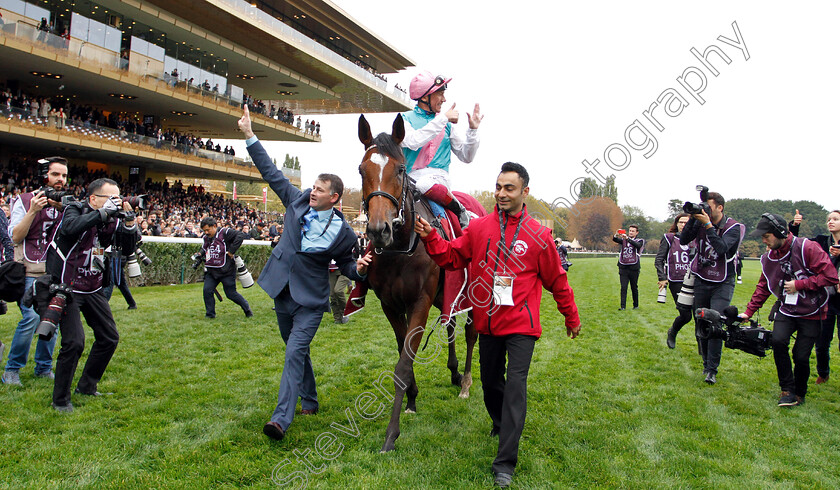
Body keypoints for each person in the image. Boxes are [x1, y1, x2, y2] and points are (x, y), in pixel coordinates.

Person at [414, 162, 580, 488]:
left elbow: (557, 280)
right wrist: (433, 237)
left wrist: (570, 316)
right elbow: (451, 258)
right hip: (486, 325)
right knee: (491, 385)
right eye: (499, 187)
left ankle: (505, 462)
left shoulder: (539, 236)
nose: (502, 193)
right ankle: (499, 422)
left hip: (522, 327)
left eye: (510, 188)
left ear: (524, 192)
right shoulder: (477, 229)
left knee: (515, 390)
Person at [238, 106, 371, 442]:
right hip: (282, 292)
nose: (312, 192)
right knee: (297, 352)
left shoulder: (345, 234)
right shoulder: (296, 202)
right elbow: (270, 173)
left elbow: (346, 266)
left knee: (293, 352)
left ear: (334, 198)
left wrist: (359, 270)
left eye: (320, 190)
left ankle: (280, 420)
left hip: (311, 302)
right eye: (312, 187)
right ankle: (310, 399)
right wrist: (250, 135)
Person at [45, 178, 138, 412]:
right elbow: (70, 229)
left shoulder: (112, 219)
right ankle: (60, 400)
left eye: (118, 198)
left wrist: (128, 225)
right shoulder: (75, 208)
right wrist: (101, 214)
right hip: (67, 288)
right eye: (111, 198)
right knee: (74, 342)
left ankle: (87, 386)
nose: (116, 203)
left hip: (93, 287)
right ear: (93, 199)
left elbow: (127, 250)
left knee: (109, 338)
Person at [738, 213, 838, 406]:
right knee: (777, 341)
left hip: (813, 311)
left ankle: (800, 393)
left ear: (779, 232)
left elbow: (831, 277)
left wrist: (801, 285)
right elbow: (764, 285)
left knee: (801, 355)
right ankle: (787, 390)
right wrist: (749, 312)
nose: (764, 240)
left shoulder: (808, 247)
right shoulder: (769, 258)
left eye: (766, 236)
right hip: (787, 309)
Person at [3, 157, 67, 386]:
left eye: (64, 176)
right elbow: (15, 237)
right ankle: (12, 369)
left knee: (52, 320)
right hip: (29, 271)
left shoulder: (66, 203)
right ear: (44, 175)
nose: (60, 180)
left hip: (53, 272)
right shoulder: (24, 200)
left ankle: (43, 367)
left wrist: (66, 212)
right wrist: (33, 211)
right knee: (30, 318)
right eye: (56, 174)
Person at [401, 71, 483, 230]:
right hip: (408, 180)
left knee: (424, 184)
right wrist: (443, 119)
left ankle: (461, 211)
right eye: (440, 94)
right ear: (425, 98)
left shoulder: (447, 125)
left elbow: (467, 156)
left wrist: (472, 131)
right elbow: (413, 141)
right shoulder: (405, 119)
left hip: (438, 179)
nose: (444, 99)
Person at [679, 191, 744, 384]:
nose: (705, 210)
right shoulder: (699, 222)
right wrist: (693, 218)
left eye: (709, 206)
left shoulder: (734, 227)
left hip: (723, 282)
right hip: (702, 278)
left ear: (720, 208)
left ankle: (712, 370)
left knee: (715, 322)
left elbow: (722, 248)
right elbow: (683, 240)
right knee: (701, 322)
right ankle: (705, 362)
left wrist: (708, 226)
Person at [789, 209, 840, 384]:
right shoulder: (821, 241)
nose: (831, 222)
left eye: (835, 219)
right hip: (825, 298)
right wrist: (795, 226)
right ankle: (823, 373)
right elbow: (795, 244)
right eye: (829, 219)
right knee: (822, 341)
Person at [199, 217, 252, 319]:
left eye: (207, 230)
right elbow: (204, 248)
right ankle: (210, 315)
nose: (206, 232)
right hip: (212, 271)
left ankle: (247, 309)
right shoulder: (206, 238)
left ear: (214, 226)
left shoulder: (225, 232)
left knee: (231, 294)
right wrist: (199, 254)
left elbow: (240, 235)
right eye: (204, 230)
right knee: (207, 291)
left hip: (226, 271)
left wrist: (231, 251)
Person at [655, 213, 693, 348]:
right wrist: (662, 277)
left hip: (695, 281)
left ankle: (703, 348)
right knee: (686, 315)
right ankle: (673, 332)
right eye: (681, 222)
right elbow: (659, 259)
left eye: (686, 222)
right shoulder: (669, 238)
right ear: (676, 224)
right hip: (676, 281)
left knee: (700, 315)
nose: (683, 225)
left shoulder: (695, 240)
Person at [613, 225, 644, 310]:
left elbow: (637, 245)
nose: (631, 232)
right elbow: (615, 239)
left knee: (634, 287)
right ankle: (623, 306)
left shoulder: (640, 240)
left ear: (637, 232)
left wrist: (628, 239)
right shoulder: (623, 240)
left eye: (633, 231)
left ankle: (636, 305)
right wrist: (616, 234)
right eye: (630, 230)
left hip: (634, 267)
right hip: (623, 267)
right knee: (623, 287)